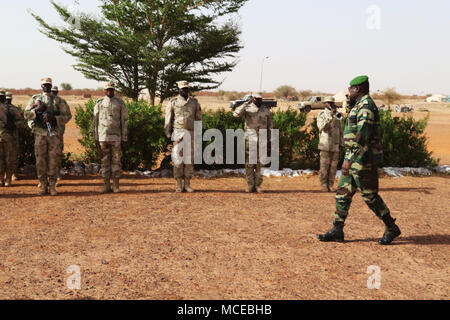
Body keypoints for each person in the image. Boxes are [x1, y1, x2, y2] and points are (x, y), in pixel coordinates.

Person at [317, 75, 401, 245]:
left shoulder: (366, 107)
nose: (348, 91)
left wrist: (350, 158)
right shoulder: (358, 105)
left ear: (358, 89)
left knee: (370, 196)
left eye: (350, 88)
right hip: (354, 156)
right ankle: (337, 229)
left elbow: (362, 134)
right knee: (343, 193)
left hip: (364, 158)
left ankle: (391, 227)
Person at [24, 78, 72, 196]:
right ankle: (43, 186)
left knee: (53, 160)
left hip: (53, 134)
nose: (46, 87)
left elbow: (67, 115)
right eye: (44, 85)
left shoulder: (58, 100)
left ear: (51, 86)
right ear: (41, 86)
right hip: (40, 133)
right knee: (40, 160)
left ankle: (52, 185)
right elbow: (25, 114)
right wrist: (36, 111)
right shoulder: (35, 99)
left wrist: (55, 119)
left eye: (48, 85)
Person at [164, 81, 202, 193]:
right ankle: (179, 184)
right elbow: (168, 119)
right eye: (183, 88)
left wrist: (199, 134)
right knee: (178, 159)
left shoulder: (194, 102)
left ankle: (187, 184)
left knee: (189, 160)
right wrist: (167, 133)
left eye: (186, 88)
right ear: (179, 89)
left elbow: (198, 119)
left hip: (191, 133)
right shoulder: (173, 102)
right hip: (178, 133)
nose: (185, 90)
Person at [233, 93, 273, 193]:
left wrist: (270, 139)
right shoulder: (247, 108)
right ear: (253, 99)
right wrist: (245, 104)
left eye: (260, 99)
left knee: (261, 163)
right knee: (249, 163)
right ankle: (250, 185)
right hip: (250, 138)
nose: (259, 101)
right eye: (257, 99)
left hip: (262, 139)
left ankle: (258, 185)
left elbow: (270, 125)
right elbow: (236, 114)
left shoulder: (265, 109)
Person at [93, 81, 128, 193]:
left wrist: (124, 137)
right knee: (104, 161)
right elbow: (95, 122)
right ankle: (106, 185)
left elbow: (124, 121)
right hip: (103, 137)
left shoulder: (120, 103)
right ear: (104, 91)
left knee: (117, 161)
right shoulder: (99, 103)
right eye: (107, 89)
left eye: (111, 89)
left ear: (114, 90)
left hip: (116, 137)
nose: (109, 91)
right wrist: (96, 137)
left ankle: (116, 185)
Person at [317, 97, 344, 192]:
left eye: (331, 102)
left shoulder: (337, 115)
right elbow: (322, 128)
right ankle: (324, 185)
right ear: (325, 104)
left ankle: (331, 185)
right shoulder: (322, 115)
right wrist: (330, 117)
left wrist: (342, 142)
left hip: (335, 145)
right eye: (328, 103)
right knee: (324, 167)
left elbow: (341, 129)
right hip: (325, 144)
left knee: (333, 167)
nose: (330, 104)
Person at [0, 91, 24, 187]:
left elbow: (21, 122)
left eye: (2, 97)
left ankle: (8, 178)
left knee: (9, 159)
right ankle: (0, 178)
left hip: (9, 138)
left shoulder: (12, 109)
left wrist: (13, 125)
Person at [51, 86, 72, 183]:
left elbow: (67, 116)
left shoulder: (61, 102)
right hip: (45, 133)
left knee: (58, 154)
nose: (53, 93)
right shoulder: (44, 103)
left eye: (55, 92)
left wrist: (56, 118)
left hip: (58, 133)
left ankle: (57, 173)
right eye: (52, 91)